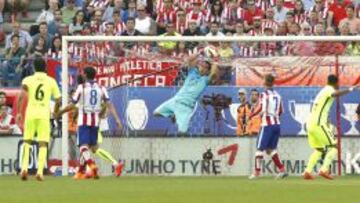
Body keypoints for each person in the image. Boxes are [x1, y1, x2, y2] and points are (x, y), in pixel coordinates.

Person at [56, 67, 119, 180]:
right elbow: (109, 104)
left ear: (85, 75)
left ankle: (92, 165)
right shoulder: (101, 87)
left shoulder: (81, 87)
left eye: (82, 73)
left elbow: (72, 105)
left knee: (82, 146)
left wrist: (61, 112)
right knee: (92, 147)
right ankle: (80, 172)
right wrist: (117, 119)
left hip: (84, 120)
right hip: (95, 121)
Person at [304, 75, 359, 180]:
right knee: (334, 147)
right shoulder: (329, 90)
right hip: (318, 124)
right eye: (339, 83)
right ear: (336, 83)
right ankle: (324, 169)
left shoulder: (322, 91)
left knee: (319, 149)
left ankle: (307, 171)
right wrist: (351, 89)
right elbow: (335, 94)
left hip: (310, 123)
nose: (339, 85)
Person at [16, 57, 61, 181]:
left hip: (30, 113)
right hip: (43, 114)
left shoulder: (28, 80)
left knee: (27, 141)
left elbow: (21, 96)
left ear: (34, 67)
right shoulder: (51, 81)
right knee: (42, 143)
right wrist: (56, 111)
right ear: (45, 67)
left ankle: (24, 169)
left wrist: (19, 112)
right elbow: (58, 99)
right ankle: (40, 172)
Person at [153, 54, 218, 134]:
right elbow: (189, 60)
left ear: (207, 71)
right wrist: (198, 54)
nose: (202, 67)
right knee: (156, 113)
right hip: (175, 100)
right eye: (202, 65)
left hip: (185, 107)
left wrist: (214, 59)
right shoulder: (193, 72)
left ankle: (177, 118)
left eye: (205, 67)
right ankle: (173, 115)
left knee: (182, 132)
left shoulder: (205, 80)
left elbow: (214, 71)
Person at [249, 74, 287, 179]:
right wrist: (274, 117)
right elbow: (280, 111)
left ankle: (256, 173)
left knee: (259, 149)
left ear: (264, 82)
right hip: (277, 125)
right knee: (270, 149)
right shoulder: (278, 95)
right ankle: (282, 170)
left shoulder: (264, 94)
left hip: (267, 125)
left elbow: (261, 107)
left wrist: (251, 115)